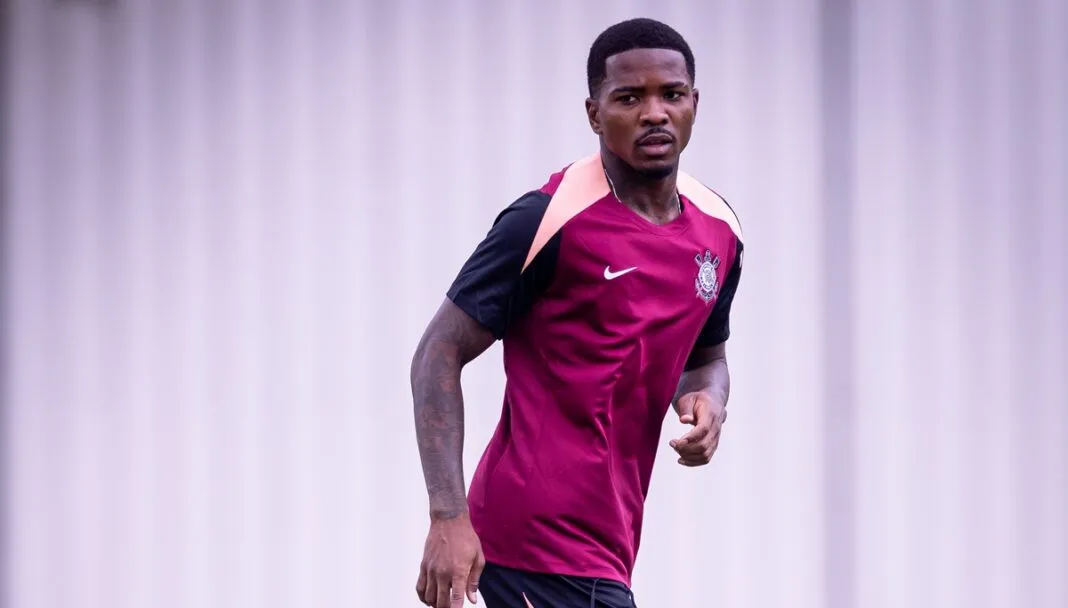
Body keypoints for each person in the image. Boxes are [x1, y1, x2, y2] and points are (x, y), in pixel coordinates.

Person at [411, 17, 744, 608]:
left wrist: (708, 399)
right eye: (629, 98)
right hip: (532, 543)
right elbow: (437, 353)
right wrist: (447, 516)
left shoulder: (720, 233)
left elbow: (706, 357)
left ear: (695, 103)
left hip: (609, 548)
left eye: (670, 94)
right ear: (594, 114)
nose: (654, 113)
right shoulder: (546, 221)